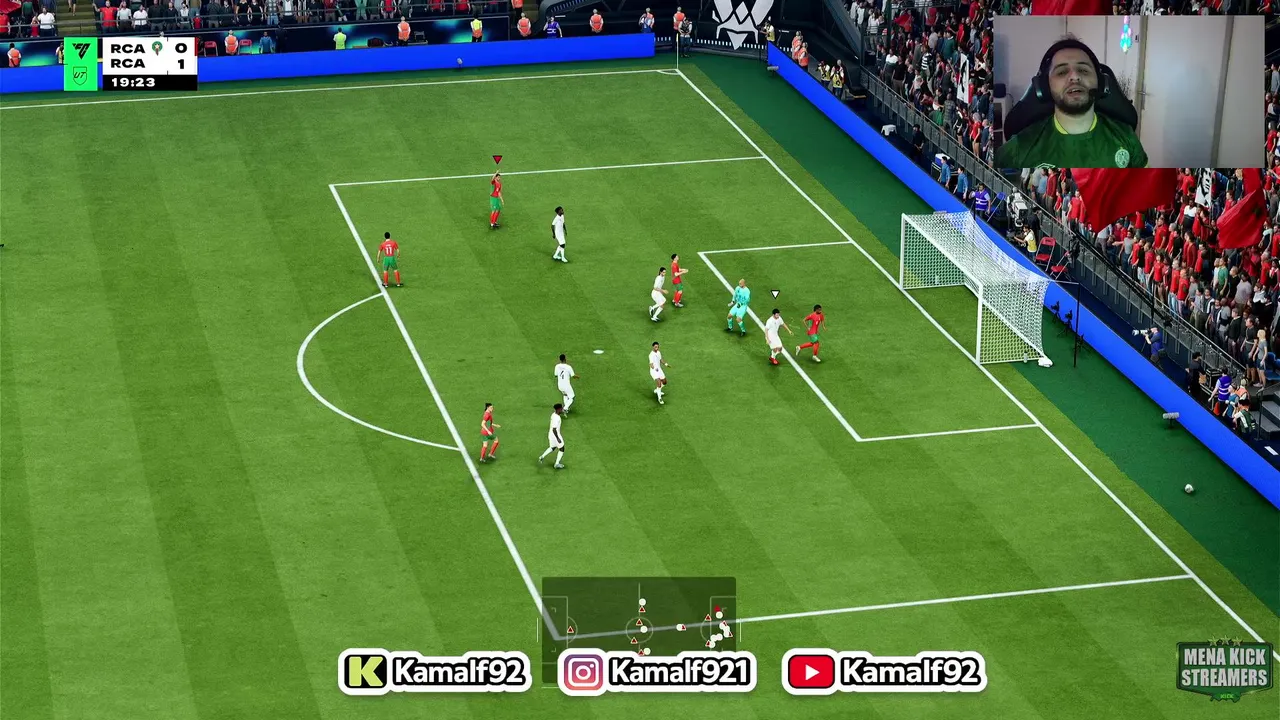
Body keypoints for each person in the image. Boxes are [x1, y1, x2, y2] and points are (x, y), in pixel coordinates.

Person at [994, 38, 1147, 169]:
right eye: (1061, 72)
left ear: (1101, 84)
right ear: (1045, 87)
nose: (1074, 77)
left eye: (1084, 70)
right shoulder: (1018, 149)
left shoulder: (1126, 138)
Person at [537, 404, 566, 468]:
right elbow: (554, 429)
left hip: (550, 434)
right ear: (558, 409)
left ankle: (542, 457)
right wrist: (558, 438)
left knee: (553, 447)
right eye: (561, 408)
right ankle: (557, 464)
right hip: (555, 435)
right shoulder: (557, 418)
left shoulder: (553, 414)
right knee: (562, 448)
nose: (562, 409)